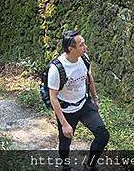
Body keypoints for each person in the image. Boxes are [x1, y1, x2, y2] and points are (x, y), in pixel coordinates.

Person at [47, 30, 109, 171]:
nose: (85, 47)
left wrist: (94, 99)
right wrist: (64, 124)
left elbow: (89, 78)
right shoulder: (56, 69)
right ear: (71, 48)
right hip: (67, 110)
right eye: (81, 45)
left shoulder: (84, 59)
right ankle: (65, 164)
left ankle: (89, 165)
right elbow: (53, 97)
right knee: (65, 143)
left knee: (103, 135)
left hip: (84, 104)